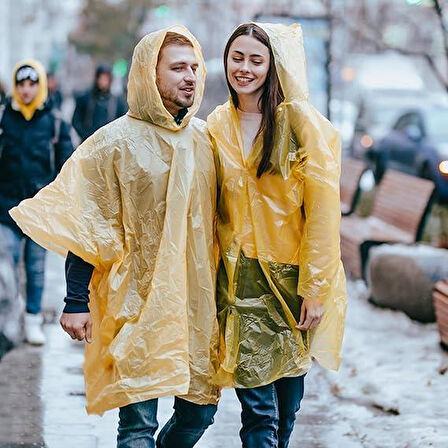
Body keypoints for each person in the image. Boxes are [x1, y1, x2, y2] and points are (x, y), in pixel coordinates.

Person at [10, 26, 219, 448]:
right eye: (178, 67)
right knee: (138, 425)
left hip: (194, 305)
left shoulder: (204, 141)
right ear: (149, 73)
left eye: (195, 67)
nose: (190, 76)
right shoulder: (113, 144)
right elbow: (90, 226)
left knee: (200, 411)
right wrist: (75, 301)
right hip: (134, 305)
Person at [207, 22, 347, 447]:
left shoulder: (301, 124)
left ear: (272, 66)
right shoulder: (216, 124)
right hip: (238, 279)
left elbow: (323, 212)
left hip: (291, 278)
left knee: (288, 406)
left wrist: (315, 287)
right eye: (237, 57)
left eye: (255, 59)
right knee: (259, 411)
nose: (244, 68)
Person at [0, 60, 73, 345]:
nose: (26, 90)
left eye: (32, 84)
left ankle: (32, 319)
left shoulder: (54, 122)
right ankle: (12, 312)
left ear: (40, 85)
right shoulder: (4, 120)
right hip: (6, 210)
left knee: (35, 269)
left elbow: (68, 166)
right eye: (21, 84)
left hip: (39, 212)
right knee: (7, 263)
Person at [72, 63, 127, 142]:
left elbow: (122, 123)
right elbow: (76, 120)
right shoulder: (85, 98)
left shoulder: (117, 102)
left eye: (106, 79)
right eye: (101, 78)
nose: (103, 81)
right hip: (88, 143)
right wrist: (85, 136)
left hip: (108, 144)